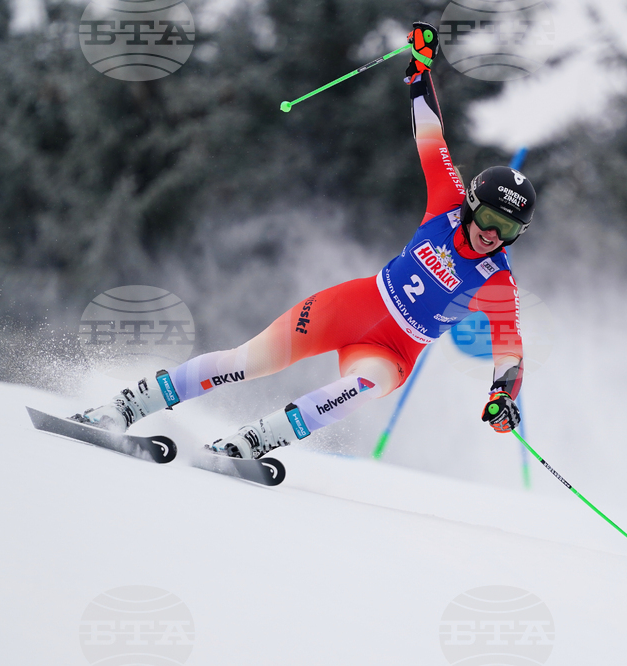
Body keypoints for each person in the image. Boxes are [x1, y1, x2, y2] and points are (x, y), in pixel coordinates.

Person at [73, 22, 534, 460]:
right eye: (491, 217)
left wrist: (501, 397)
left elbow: (508, 348)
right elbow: (430, 135)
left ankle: (251, 443)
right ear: (473, 203)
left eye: (508, 229)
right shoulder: (447, 203)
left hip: (393, 352)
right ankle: (123, 407)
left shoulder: (498, 280)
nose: (492, 234)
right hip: (352, 306)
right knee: (249, 360)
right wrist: (419, 70)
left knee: (356, 391)